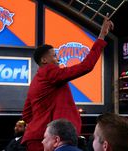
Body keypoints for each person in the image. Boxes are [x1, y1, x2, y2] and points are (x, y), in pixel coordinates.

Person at [22, 14, 114, 151]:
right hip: (52, 139)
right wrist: (101, 36)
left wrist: (38, 125)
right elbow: (86, 66)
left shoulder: (36, 81)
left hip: (35, 139)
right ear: (44, 61)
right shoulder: (49, 72)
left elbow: (27, 114)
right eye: (54, 56)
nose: (58, 60)